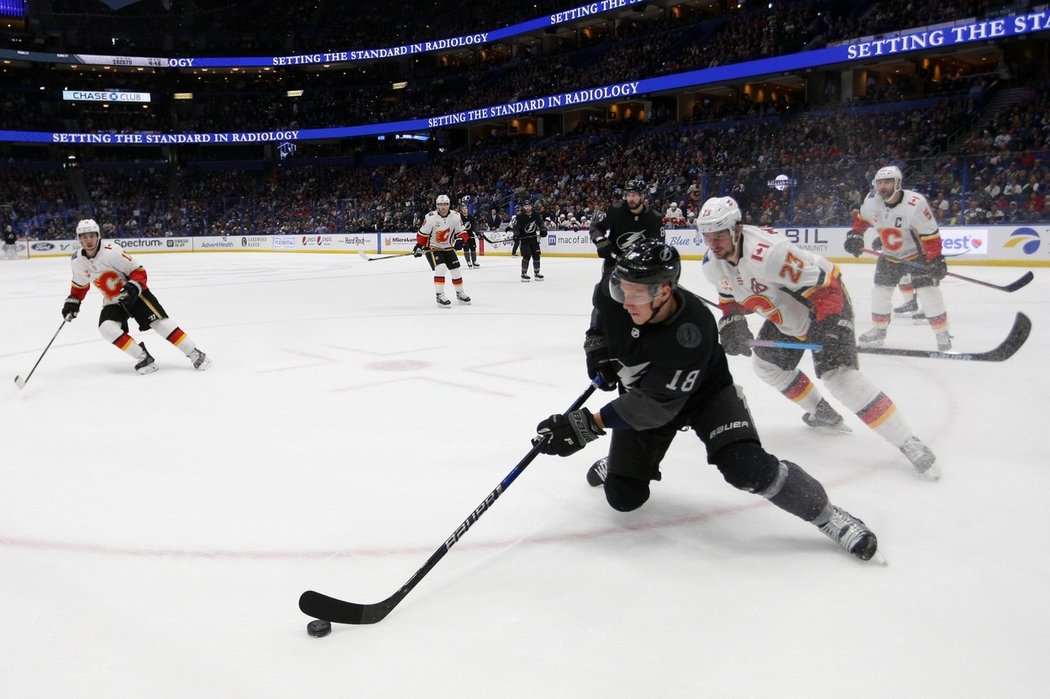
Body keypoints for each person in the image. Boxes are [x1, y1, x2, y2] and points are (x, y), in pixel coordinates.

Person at [533, 239, 881, 562]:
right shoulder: (619, 291)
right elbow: (602, 314)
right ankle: (621, 463)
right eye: (622, 291)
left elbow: (654, 407)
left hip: (704, 397)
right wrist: (598, 349)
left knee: (746, 467)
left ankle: (827, 516)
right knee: (624, 498)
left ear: (664, 291)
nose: (625, 302)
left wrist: (584, 426)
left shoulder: (691, 330)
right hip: (647, 395)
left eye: (636, 295)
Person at [696, 196, 938, 479]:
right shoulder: (712, 263)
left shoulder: (770, 253)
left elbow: (825, 286)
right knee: (766, 365)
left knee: (840, 377)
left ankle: (908, 441)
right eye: (707, 236)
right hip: (785, 314)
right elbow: (728, 295)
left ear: (736, 229)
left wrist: (832, 324)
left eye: (719, 235)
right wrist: (732, 319)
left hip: (824, 304)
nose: (713, 243)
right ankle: (821, 411)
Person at [61, 218, 212, 374]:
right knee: (107, 328)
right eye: (84, 236)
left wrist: (133, 288)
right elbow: (79, 285)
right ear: (79, 238)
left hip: (135, 294)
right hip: (113, 300)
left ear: (98, 235)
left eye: (92, 235)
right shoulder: (77, 261)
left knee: (160, 324)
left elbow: (139, 272)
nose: (88, 240)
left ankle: (194, 353)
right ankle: (143, 357)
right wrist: (73, 302)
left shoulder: (112, 251)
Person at [845, 166, 952, 351]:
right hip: (890, 255)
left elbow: (930, 235)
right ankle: (879, 331)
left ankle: (942, 333)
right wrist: (855, 235)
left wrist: (935, 259)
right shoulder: (871, 201)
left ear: (898, 183)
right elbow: (862, 220)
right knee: (879, 292)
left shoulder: (915, 203)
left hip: (917, 256)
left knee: (928, 293)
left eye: (888, 182)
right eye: (879, 182)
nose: (883, 186)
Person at [588, 179, 664, 274]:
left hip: (641, 266)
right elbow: (596, 226)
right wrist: (600, 240)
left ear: (643, 196)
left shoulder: (654, 217)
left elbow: (658, 245)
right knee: (603, 288)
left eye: (634, 195)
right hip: (614, 262)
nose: (630, 199)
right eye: (628, 195)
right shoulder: (616, 210)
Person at [415, 194, 471, 307]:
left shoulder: (455, 216)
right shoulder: (430, 217)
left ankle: (460, 293)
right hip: (435, 248)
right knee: (441, 268)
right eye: (440, 204)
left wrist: (461, 239)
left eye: (445, 204)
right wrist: (419, 246)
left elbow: (462, 231)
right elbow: (423, 234)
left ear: (448, 205)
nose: (443, 207)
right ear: (437, 205)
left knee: (456, 270)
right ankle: (439, 295)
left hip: (448, 247)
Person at [512, 199, 545, 282]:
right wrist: (516, 234)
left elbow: (540, 223)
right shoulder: (519, 216)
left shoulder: (535, 215)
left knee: (536, 255)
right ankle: (524, 274)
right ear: (523, 207)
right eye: (526, 206)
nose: (527, 208)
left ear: (531, 206)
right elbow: (516, 227)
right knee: (526, 256)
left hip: (533, 239)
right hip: (524, 240)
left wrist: (543, 229)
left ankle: (537, 273)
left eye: (529, 206)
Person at [458, 196, 481, 268]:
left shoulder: (470, 217)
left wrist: (477, 233)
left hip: (471, 235)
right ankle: (468, 261)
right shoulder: (459, 217)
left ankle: (474, 261)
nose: (465, 210)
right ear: (461, 210)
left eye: (466, 209)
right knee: (466, 248)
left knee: (473, 247)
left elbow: (474, 225)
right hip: (464, 236)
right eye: (463, 209)